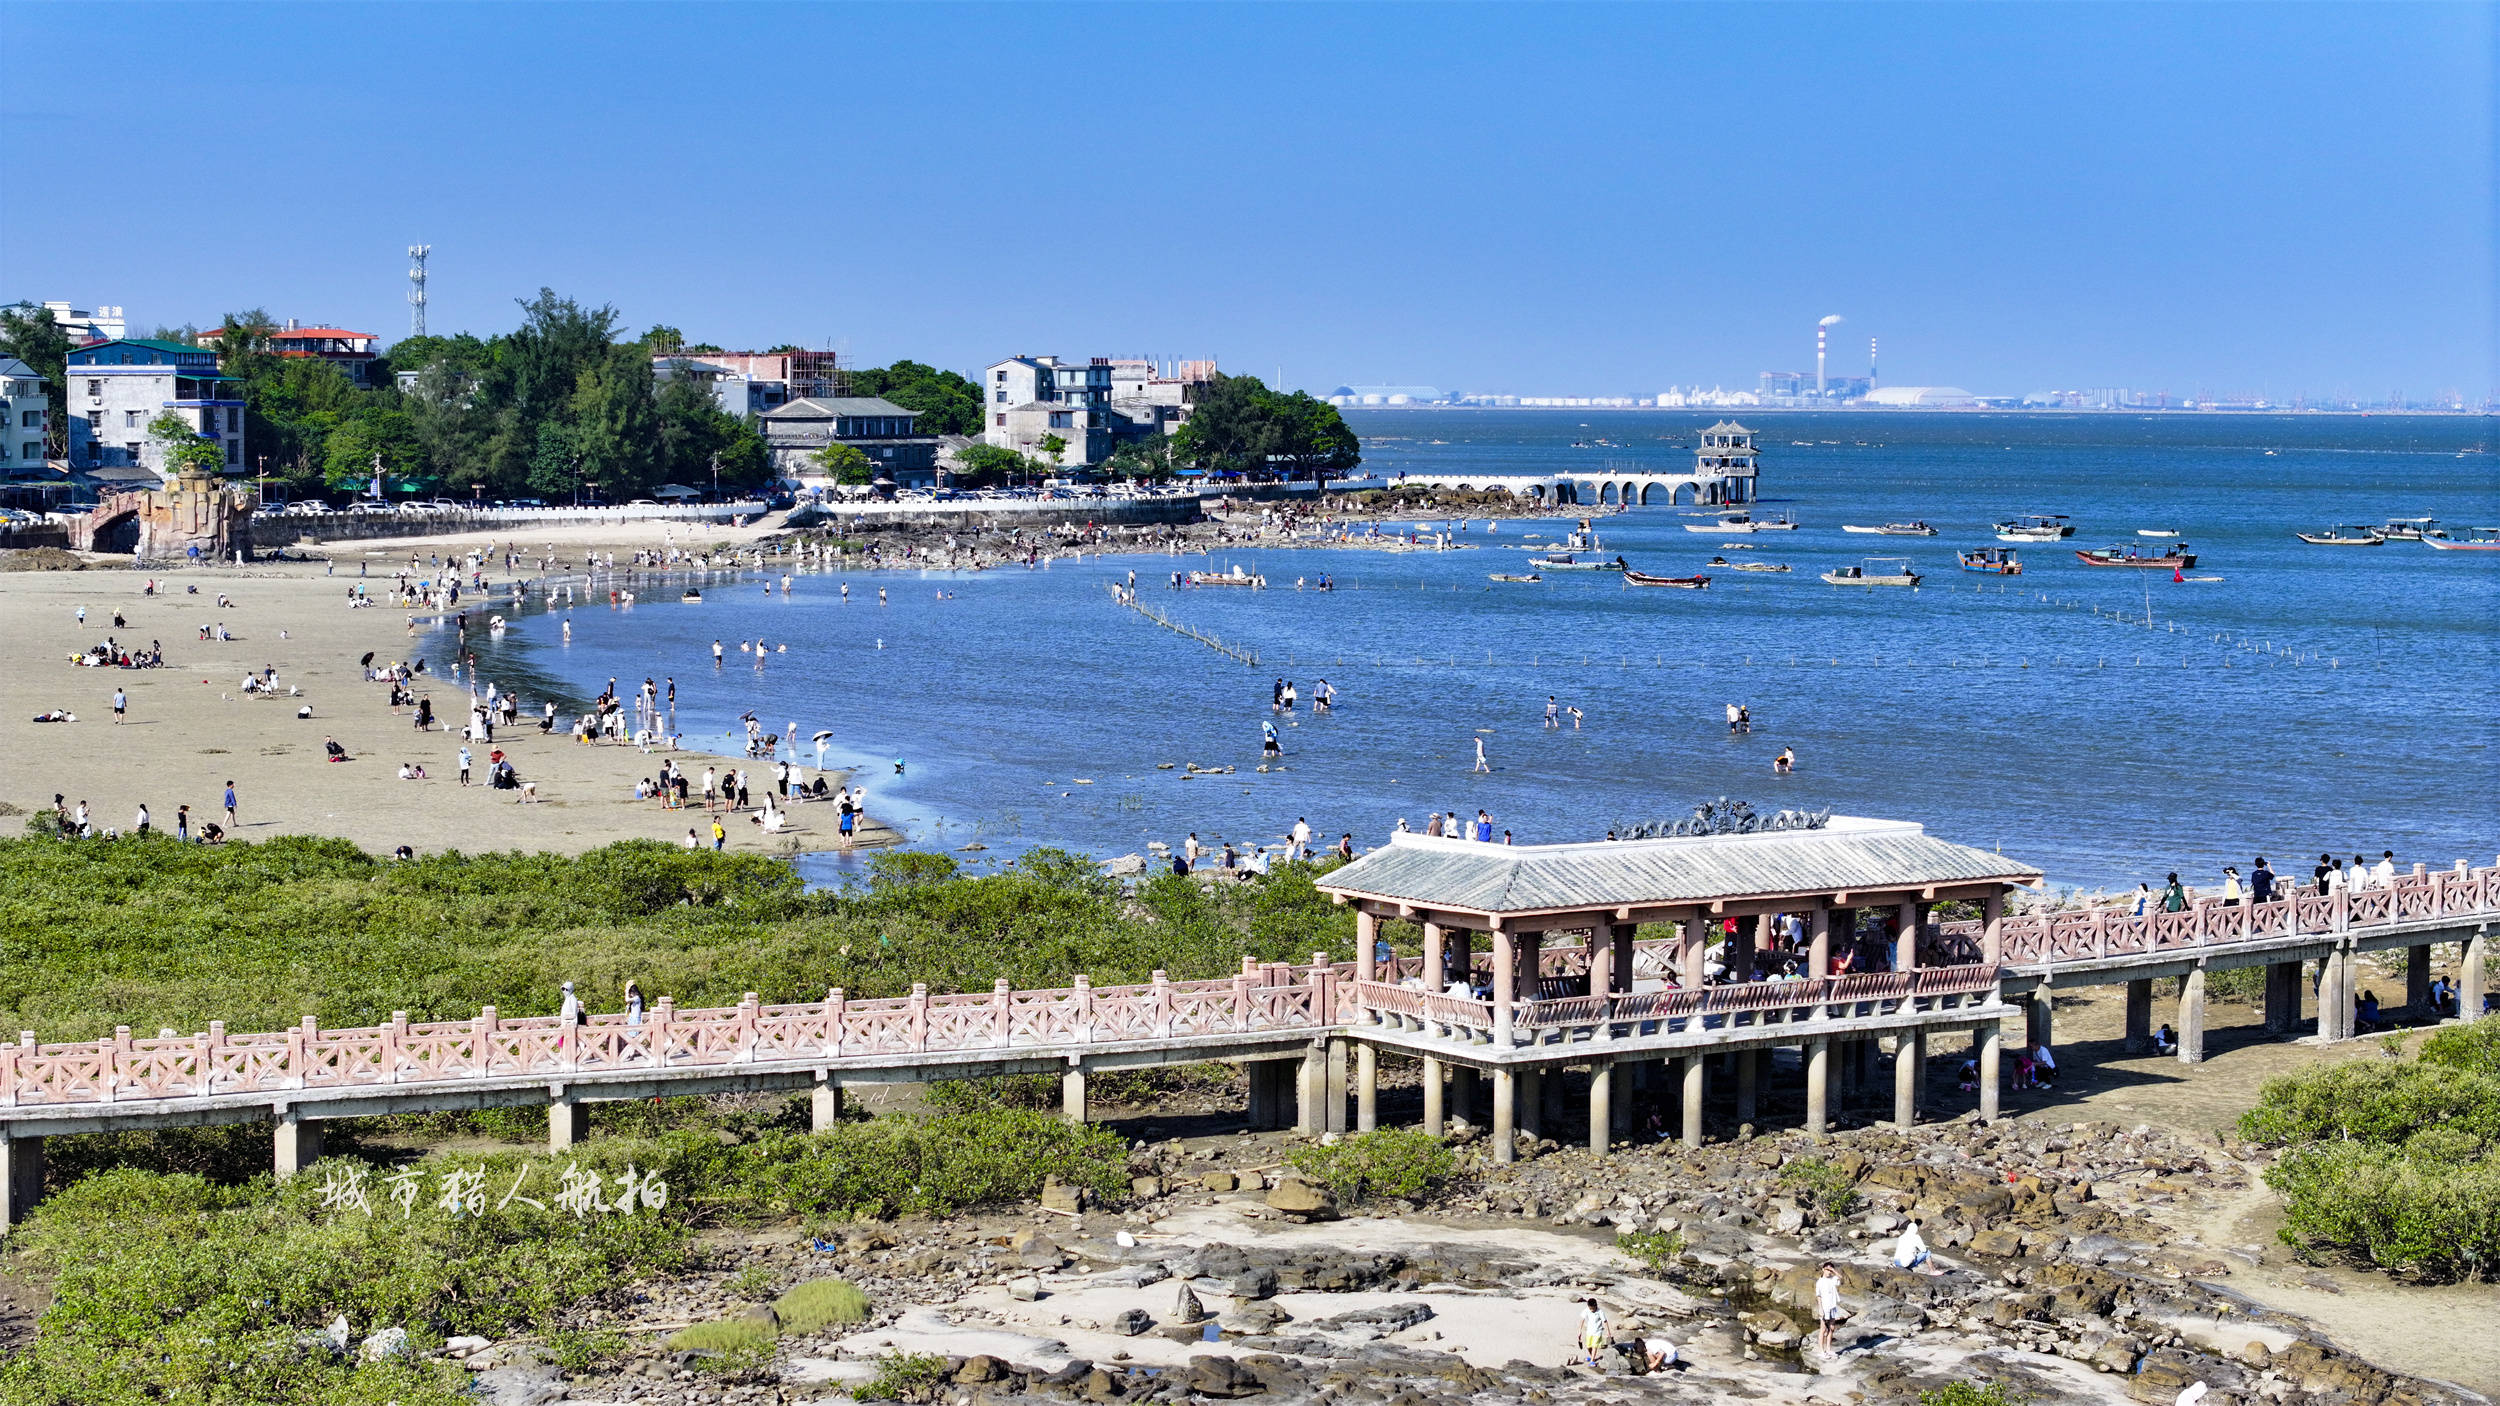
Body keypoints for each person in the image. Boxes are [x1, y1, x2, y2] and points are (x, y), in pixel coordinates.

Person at [1814, 1262, 1843, 1353]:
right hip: (1824, 1307)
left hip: (1832, 1306)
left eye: (1830, 1270)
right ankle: (1822, 1350)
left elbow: (1840, 1278)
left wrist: (1833, 1270)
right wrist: (1820, 1308)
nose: (1829, 1272)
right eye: (1827, 1269)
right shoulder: (1820, 1282)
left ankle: (1828, 1349)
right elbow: (1818, 1296)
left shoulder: (1833, 1279)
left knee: (1832, 1328)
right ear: (1823, 1269)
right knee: (1823, 1329)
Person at [1577, 1298, 1608, 1365]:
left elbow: (1605, 1321)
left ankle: (1592, 1361)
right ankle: (1592, 1357)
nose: (1591, 1310)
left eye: (1592, 1308)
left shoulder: (1600, 1312)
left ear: (1595, 1305)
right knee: (1588, 1346)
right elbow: (1582, 1320)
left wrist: (1609, 1333)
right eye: (1590, 1308)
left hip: (1597, 1332)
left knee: (1594, 1346)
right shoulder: (1587, 1310)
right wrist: (1580, 1331)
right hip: (1589, 1331)